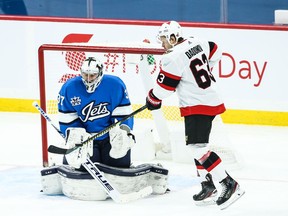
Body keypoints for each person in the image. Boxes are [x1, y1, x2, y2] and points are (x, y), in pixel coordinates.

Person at [145, 21, 245, 209]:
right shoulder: (196, 41)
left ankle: (228, 184)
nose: (163, 44)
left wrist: (152, 98)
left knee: (197, 149)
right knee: (198, 145)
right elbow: (215, 50)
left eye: (164, 40)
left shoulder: (172, 57)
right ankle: (208, 185)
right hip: (209, 98)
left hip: (198, 104)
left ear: (173, 37)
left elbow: (164, 89)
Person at [57, 56, 135, 169]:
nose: (88, 79)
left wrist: (123, 132)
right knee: (77, 166)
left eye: (92, 75)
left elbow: (124, 116)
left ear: (100, 73)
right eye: (85, 74)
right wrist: (76, 135)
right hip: (86, 139)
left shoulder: (115, 85)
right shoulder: (69, 88)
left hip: (109, 138)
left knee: (120, 161)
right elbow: (67, 120)